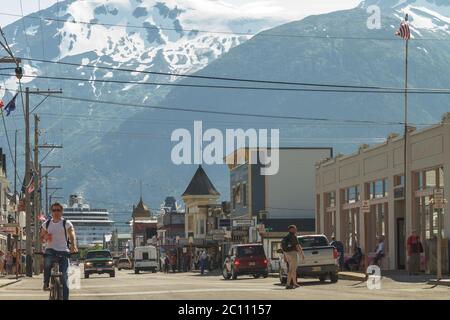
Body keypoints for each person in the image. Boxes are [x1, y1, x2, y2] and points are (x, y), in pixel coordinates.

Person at [40, 202, 78, 300]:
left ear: (62, 212)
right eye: (54, 210)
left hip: (63, 250)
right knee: (47, 263)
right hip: (50, 249)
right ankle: (46, 283)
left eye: (58, 210)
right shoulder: (46, 223)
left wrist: (73, 245)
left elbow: (71, 234)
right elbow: (41, 237)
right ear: (51, 212)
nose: (56, 212)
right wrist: (45, 236)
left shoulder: (66, 223)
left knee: (64, 276)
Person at [281, 225, 305, 289]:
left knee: (293, 269)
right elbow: (297, 246)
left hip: (287, 253)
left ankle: (294, 283)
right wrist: (302, 254)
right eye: (294, 229)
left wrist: (285, 256)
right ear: (290, 230)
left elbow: (283, 248)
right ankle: (288, 284)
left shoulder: (286, 237)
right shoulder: (293, 236)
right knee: (292, 269)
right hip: (292, 253)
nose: (296, 230)